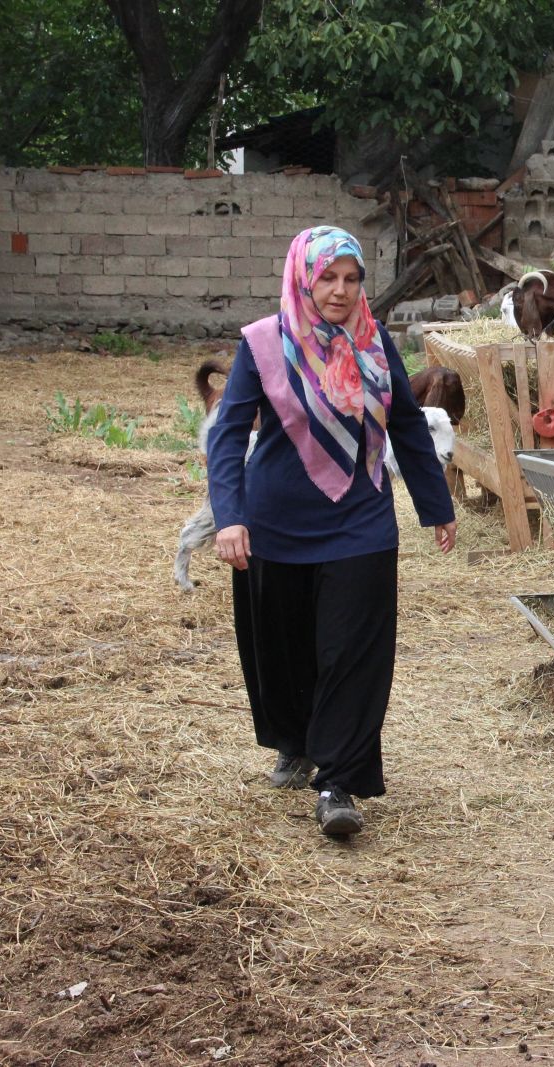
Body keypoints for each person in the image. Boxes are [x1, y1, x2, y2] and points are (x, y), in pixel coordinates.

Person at [207, 225, 457, 839]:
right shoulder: (263, 345)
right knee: (284, 647)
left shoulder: (374, 345)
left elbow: (405, 424)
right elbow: (228, 435)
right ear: (304, 278)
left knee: (353, 651)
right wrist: (230, 515)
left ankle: (338, 782)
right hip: (277, 524)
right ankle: (295, 741)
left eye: (352, 279)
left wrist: (436, 504)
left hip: (360, 519)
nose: (341, 291)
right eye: (328, 278)